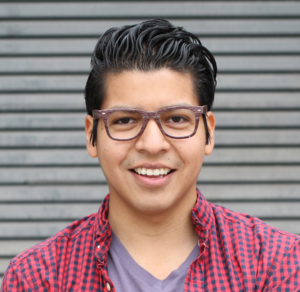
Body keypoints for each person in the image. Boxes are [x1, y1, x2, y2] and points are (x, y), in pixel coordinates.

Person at [1, 19, 300, 292]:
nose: (152, 144)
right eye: (125, 120)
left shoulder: (276, 264)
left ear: (208, 132)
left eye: (177, 119)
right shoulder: (36, 279)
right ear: (92, 136)